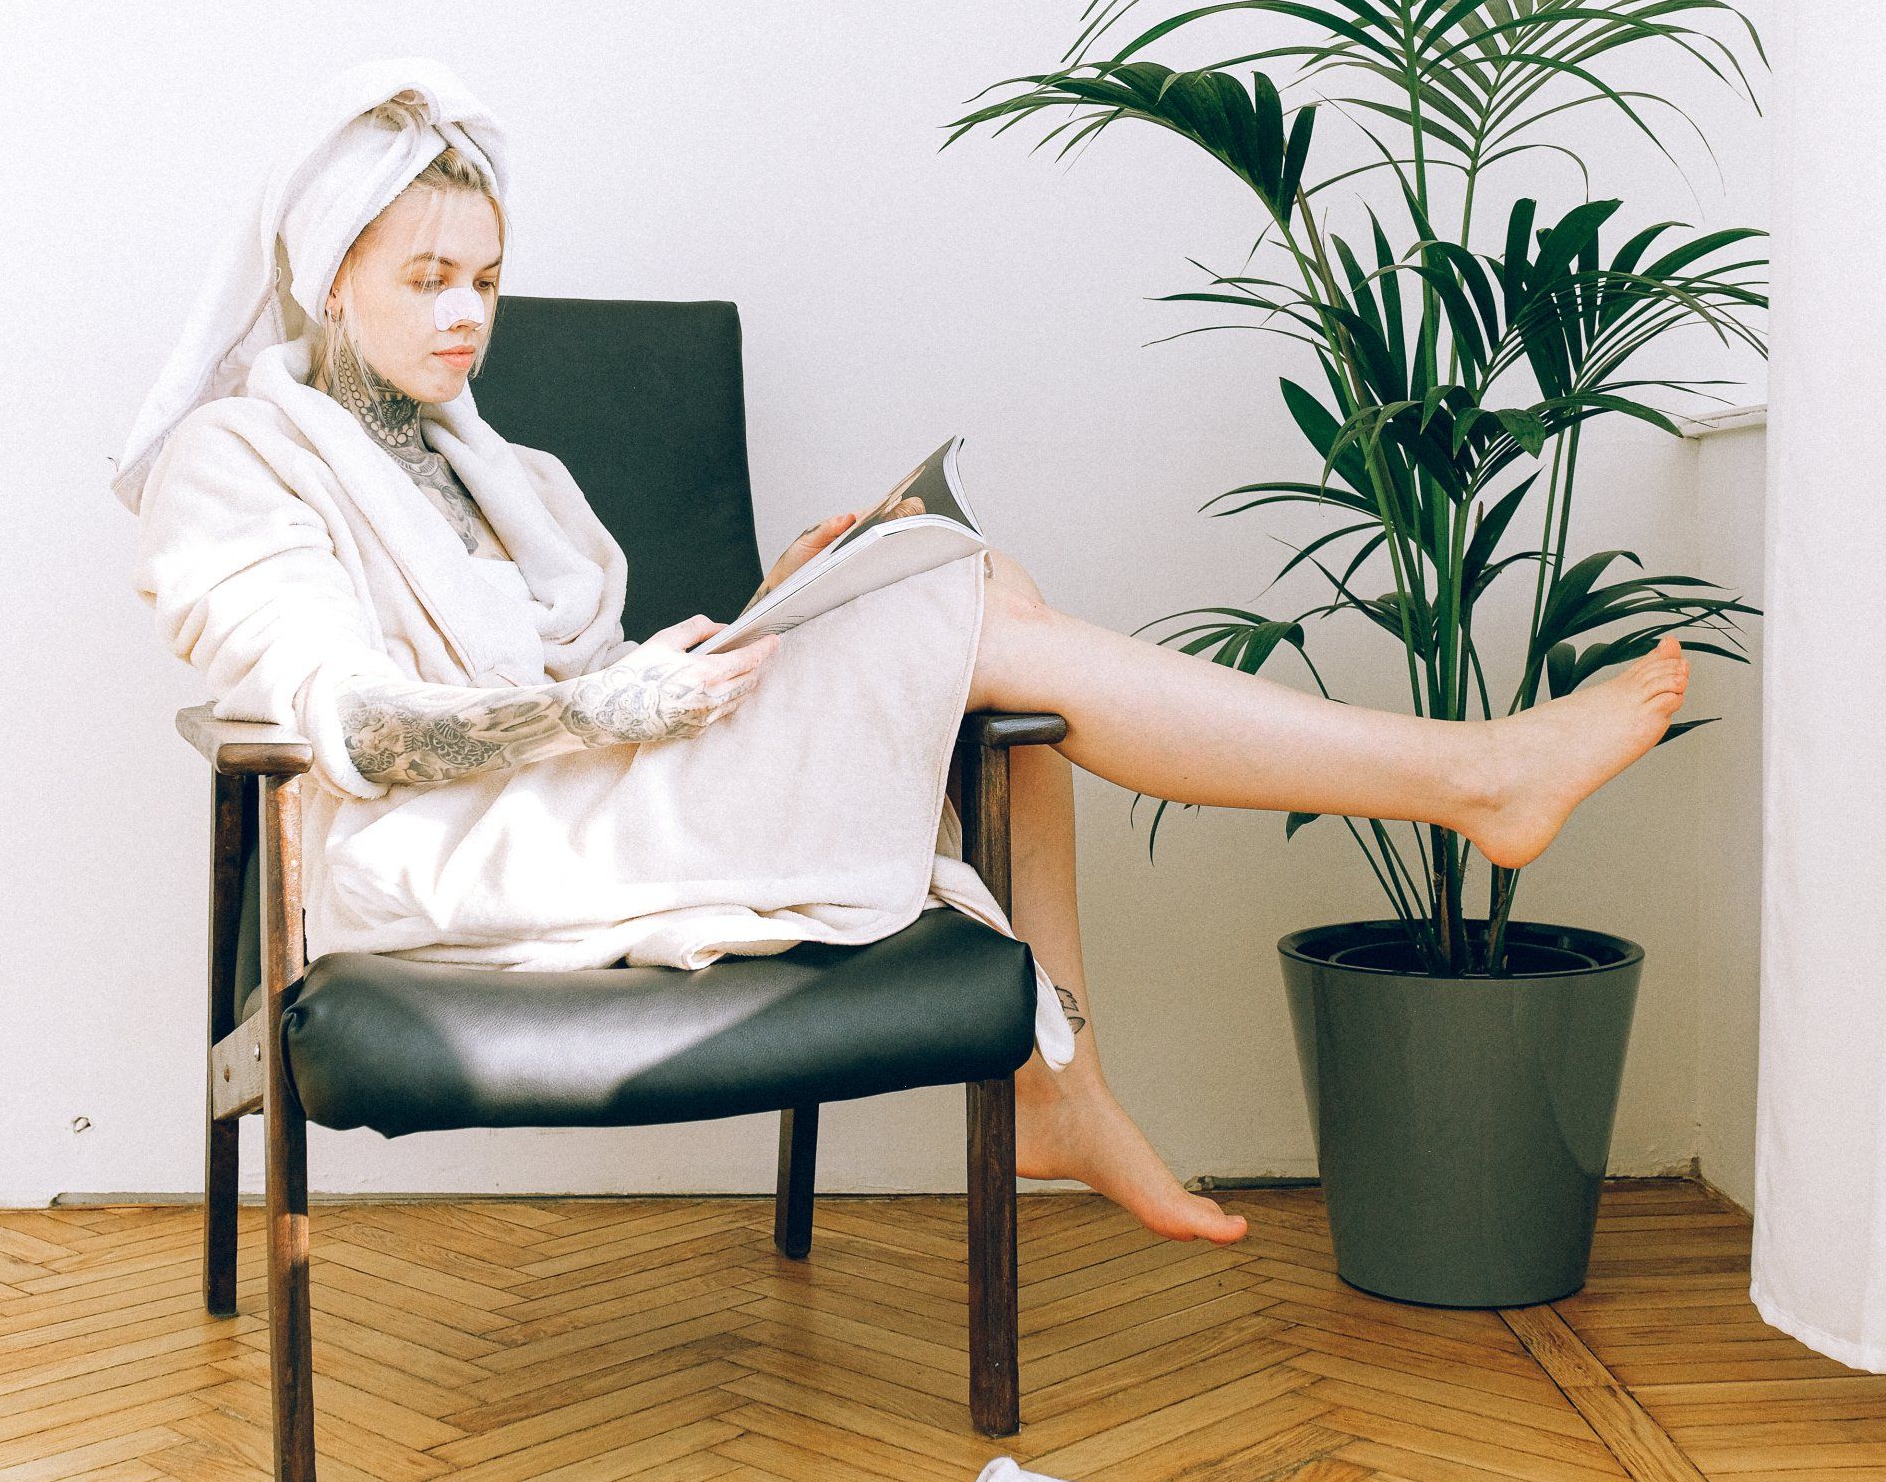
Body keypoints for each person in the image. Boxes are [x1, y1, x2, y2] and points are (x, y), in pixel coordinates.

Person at [118, 60, 1689, 1250]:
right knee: (975, 612)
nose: (467, 317)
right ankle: (1464, 785)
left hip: (590, 791)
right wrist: (608, 705)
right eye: (426, 281)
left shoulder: (493, 465)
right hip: (449, 854)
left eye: (485, 280)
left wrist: (773, 611)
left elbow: (586, 671)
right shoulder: (234, 462)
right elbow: (363, 732)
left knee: (962, 579)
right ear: (328, 271)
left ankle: (1069, 1082)